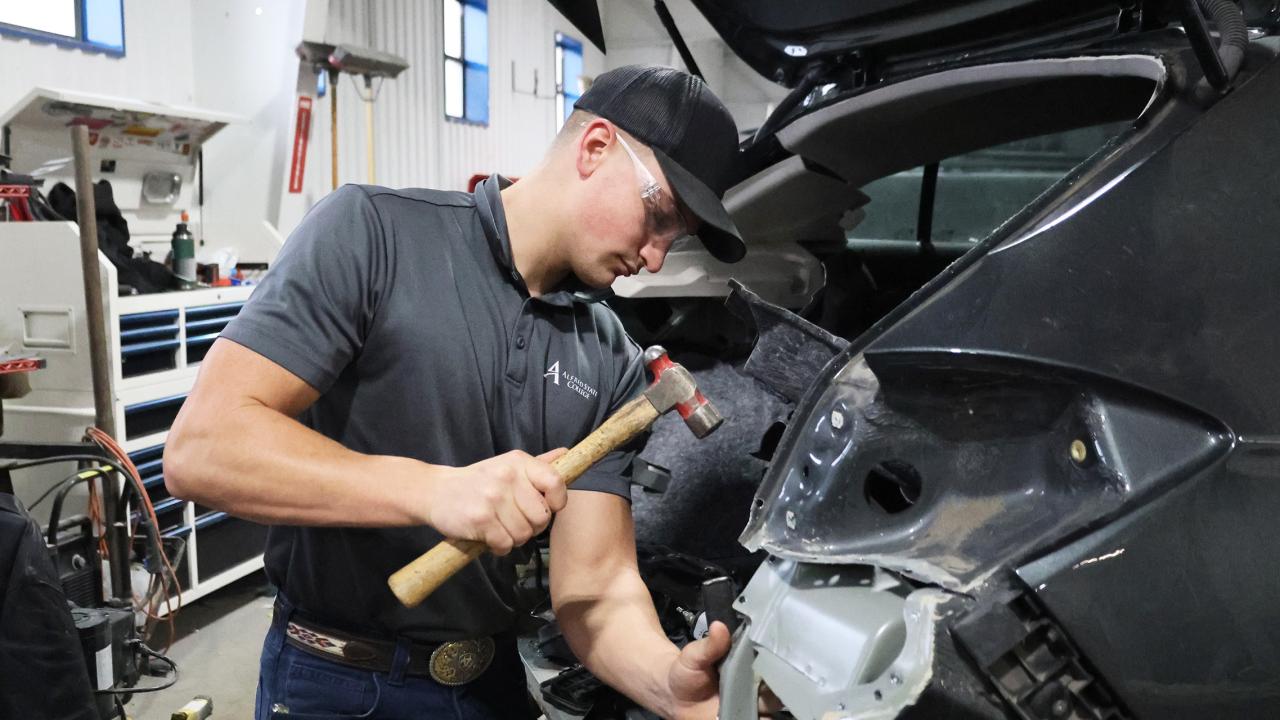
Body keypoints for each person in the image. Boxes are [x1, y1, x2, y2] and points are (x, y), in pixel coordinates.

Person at [165, 64, 746, 719]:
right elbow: (203, 448)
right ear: (595, 147)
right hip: (337, 682)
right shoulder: (373, 234)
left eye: (677, 238)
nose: (657, 257)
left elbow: (599, 588)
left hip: (490, 684)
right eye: (659, 215)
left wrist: (665, 682)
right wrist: (437, 491)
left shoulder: (609, 353)